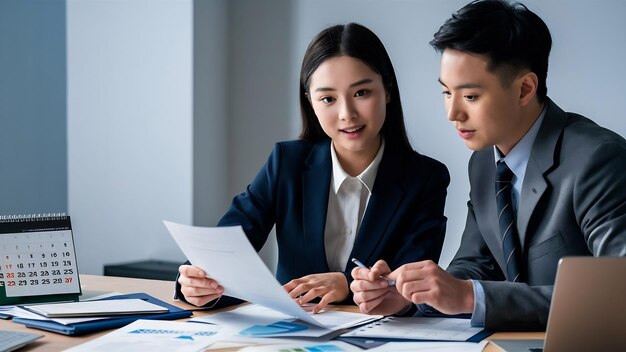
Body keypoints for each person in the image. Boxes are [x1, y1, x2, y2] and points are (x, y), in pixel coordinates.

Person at [351, 0, 626, 331]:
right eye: (446, 93)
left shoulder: (599, 159)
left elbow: (617, 295)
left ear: (525, 89)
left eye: (470, 97)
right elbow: (475, 266)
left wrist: (469, 297)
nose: (452, 114)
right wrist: (413, 296)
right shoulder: (483, 162)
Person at [175, 23, 450, 313]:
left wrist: (346, 283)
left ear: (388, 90)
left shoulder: (426, 178)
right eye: (328, 99)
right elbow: (224, 253)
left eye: (361, 93)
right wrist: (196, 286)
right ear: (311, 103)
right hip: (289, 333)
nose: (347, 114)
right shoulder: (286, 163)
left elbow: (415, 285)